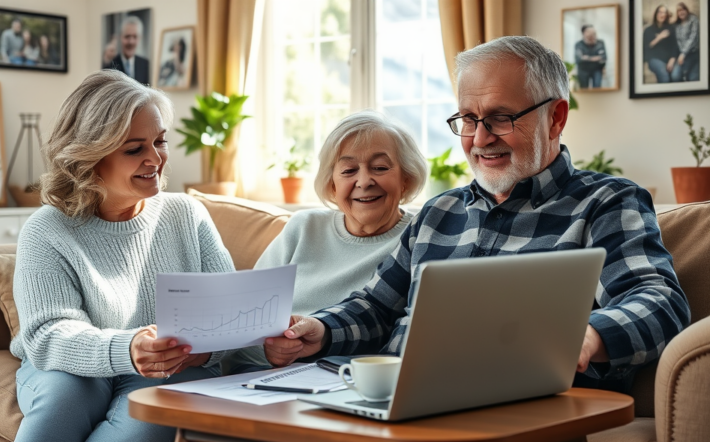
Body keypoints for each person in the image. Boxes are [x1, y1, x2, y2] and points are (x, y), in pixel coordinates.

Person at [265, 36, 689, 406]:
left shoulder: (607, 202)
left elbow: (659, 301)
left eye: (501, 118)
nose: (480, 138)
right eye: (468, 119)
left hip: (508, 401)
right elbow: (376, 307)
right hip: (397, 392)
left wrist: (589, 335)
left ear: (556, 117)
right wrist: (320, 329)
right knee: (259, 435)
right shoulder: (439, 212)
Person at [6, 70, 235, 442]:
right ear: (91, 157)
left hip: (170, 371)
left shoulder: (187, 214)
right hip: (72, 367)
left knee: (150, 414)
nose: (156, 158)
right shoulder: (47, 229)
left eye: (160, 141)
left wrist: (206, 348)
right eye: (134, 149)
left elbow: (232, 312)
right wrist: (126, 350)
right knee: (65, 398)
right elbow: (47, 335)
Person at [222, 110, 428, 379]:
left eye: (380, 168)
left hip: (348, 379)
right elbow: (246, 309)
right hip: (257, 370)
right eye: (348, 170)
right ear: (332, 184)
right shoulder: (303, 226)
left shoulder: (420, 238)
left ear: (407, 178)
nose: (364, 181)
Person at [105, 16, 150, 85]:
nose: (131, 42)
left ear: (140, 38)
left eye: (135, 37)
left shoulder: (146, 65)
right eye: (127, 36)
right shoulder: (110, 65)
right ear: (120, 37)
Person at [643, 4, 682, 83]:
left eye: (664, 13)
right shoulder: (648, 30)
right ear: (656, 14)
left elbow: (675, 45)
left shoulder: (671, 28)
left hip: (669, 58)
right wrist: (659, 37)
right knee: (665, 77)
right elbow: (646, 47)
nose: (662, 15)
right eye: (660, 12)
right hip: (654, 59)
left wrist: (672, 59)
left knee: (675, 77)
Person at [675, 2, 700, 82]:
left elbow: (694, 37)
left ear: (687, 10)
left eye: (683, 10)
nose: (681, 12)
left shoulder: (693, 19)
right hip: (682, 56)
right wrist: (682, 54)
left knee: (693, 78)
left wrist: (683, 53)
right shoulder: (678, 25)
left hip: (693, 53)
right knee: (675, 76)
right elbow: (678, 41)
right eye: (679, 11)